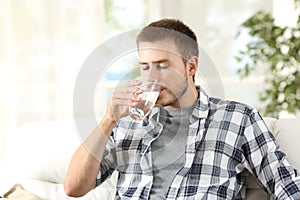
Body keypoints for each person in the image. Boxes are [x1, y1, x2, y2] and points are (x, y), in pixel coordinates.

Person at [64, 18, 300, 199]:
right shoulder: (126, 121)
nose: (152, 77)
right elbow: (74, 188)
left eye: (162, 66)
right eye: (145, 67)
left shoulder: (238, 118)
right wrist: (109, 119)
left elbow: (286, 185)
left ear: (191, 66)